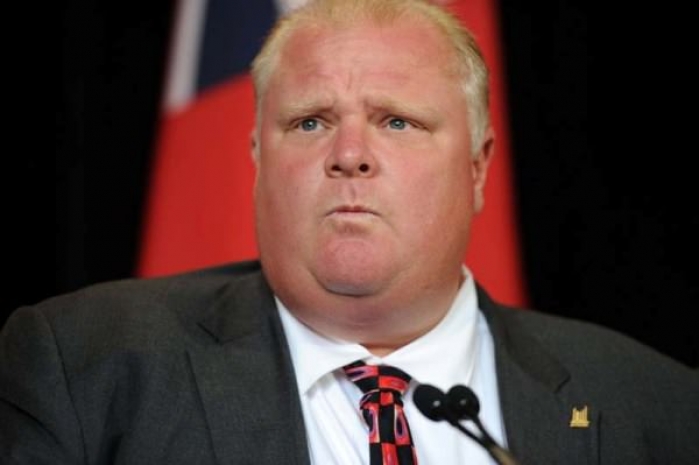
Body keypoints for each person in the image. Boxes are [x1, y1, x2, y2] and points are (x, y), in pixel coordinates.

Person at [1, 0, 698, 463]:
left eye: (397, 121)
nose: (350, 153)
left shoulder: (656, 406)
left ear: (478, 167)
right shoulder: (84, 369)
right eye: (310, 121)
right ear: (257, 160)